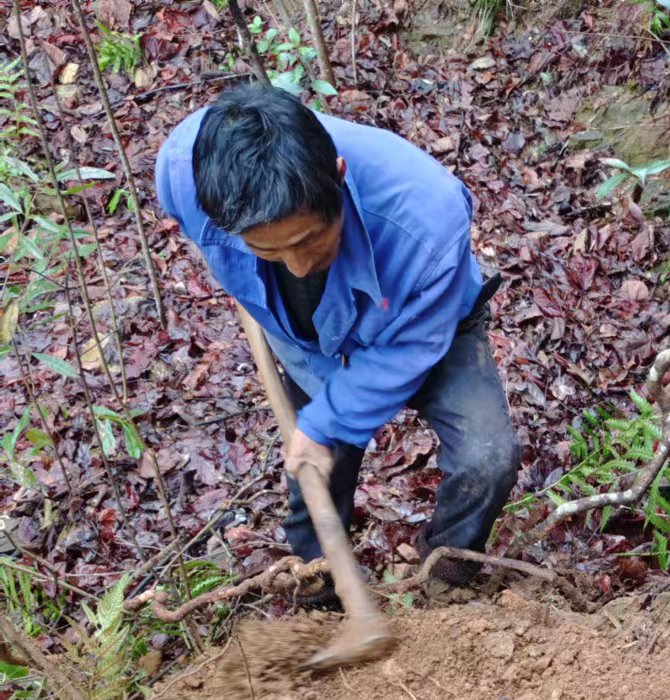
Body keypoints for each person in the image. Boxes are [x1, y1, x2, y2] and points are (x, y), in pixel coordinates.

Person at [155, 83, 519, 591]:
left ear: (339, 177)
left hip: (423, 320)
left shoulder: (426, 218)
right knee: (316, 470)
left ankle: (449, 579)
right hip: (306, 337)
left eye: (308, 240)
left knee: (488, 457)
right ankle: (323, 594)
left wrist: (329, 419)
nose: (300, 264)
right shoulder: (184, 172)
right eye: (270, 248)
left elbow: (407, 352)